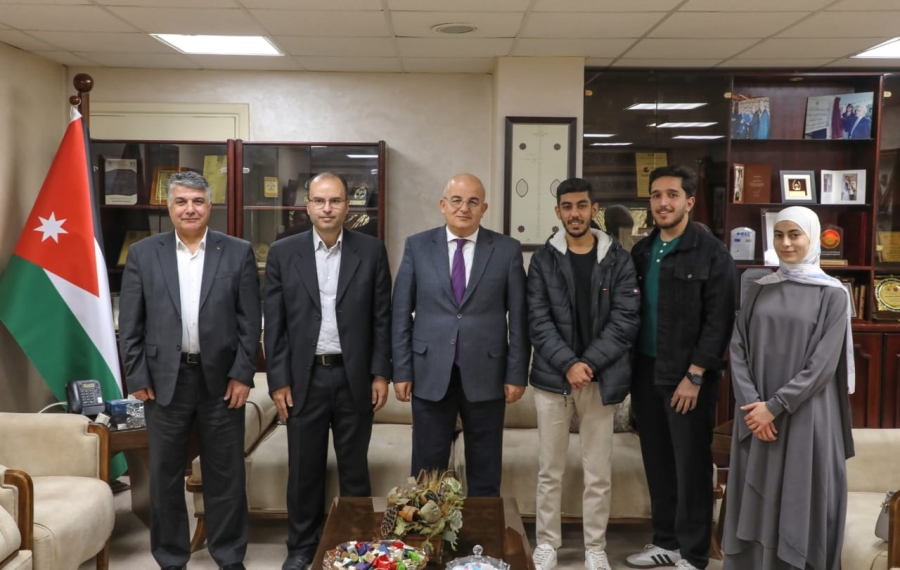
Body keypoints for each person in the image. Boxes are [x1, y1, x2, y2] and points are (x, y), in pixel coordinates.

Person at [119, 170, 261, 570]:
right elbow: (130, 323)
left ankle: (229, 555)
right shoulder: (144, 253)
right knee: (164, 475)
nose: (190, 209)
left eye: (198, 201)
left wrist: (243, 374)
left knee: (226, 473)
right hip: (164, 381)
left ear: (210, 206)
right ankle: (171, 557)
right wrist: (137, 375)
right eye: (181, 201)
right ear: (169, 206)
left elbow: (250, 322)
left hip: (222, 381)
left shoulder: (237, 252)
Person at [263, 172, 392, 570]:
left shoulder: (371, 251)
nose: (327, 208)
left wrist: (380, 373)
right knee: (304, 470)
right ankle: (301, 547)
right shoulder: (283, 253)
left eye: (335, 201)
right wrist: (278, 381)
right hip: (305, 379)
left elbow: (382, 318)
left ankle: (356, 545)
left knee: (354, 471)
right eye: (319, 201)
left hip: (354, 377)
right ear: (307, 206)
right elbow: (275, 324)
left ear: (347, 206)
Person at [722, 206, 855, 570]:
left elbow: (823, 365)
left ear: (811, 237)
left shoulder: (833, 294)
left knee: (800, 492)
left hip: (804, 413)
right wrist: (753, 405)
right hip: (755, 417)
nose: (786, 243)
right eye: (779, 235)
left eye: (794, 234)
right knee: (757, 496)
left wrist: (775, 406)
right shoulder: (759, 288)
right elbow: (738, 348)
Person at [392, 172, 529, 497]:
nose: (464, 208)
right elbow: (400, 313)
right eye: (456, 200)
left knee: (485, 471)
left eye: (472, 202)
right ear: (443, 205)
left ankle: (484, 530)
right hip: (430, 372)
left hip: (487, 373)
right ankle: (427, 529)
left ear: (484, 208)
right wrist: (402, 370)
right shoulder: (417, 246)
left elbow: (520, 318)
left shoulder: (507, 250)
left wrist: (516, 374)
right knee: (426, 473)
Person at [626, 165, 736, 570]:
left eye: (671, 195)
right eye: (656, 195)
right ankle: (666, 542)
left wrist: (695, 374)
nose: (663, 203)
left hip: (689, 377)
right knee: (657, 461)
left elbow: (719, 321)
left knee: (691, 465)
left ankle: (693, 553)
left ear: (689, 202)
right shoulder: (641, 251)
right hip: (646, 372)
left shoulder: (712, 253)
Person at [527, 178, 640, 570]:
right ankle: (547, 544)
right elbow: (538, 321)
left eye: (581, 206)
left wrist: (587, 364)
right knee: (550, 471)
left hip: (600, 379)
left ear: (594, 210)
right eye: (567, 206)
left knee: (598, 472)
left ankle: (595, 548)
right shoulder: (543, 260)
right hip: (553, 380)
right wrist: (568, 365)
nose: (574, 213)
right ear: (558, 212)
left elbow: (626, 321)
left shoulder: (619, 258)